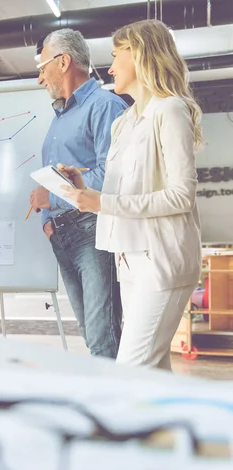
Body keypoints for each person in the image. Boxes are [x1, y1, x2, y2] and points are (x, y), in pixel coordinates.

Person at [62, 19, 202, 370]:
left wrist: (102, 202)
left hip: (162, 262)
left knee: (131, 370)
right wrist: (86, 189)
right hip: (129, 260)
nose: (109, 67)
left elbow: (181, 195)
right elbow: (122, 192)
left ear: (139, 54)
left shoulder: (170, 110)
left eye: (115, 55)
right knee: (152, 370)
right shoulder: (123, 121)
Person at [30, 29, 128, 359]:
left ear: (64, 62)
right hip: (62, 235)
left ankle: (116, 408)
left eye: (42, 67)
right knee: (89, 333)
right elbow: (51, 177)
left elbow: (112, 176)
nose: (40, 78)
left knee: (103, 337)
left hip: (92, 231)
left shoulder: (105, 106)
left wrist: (52, 199)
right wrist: (47, 219)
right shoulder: (59, 119)